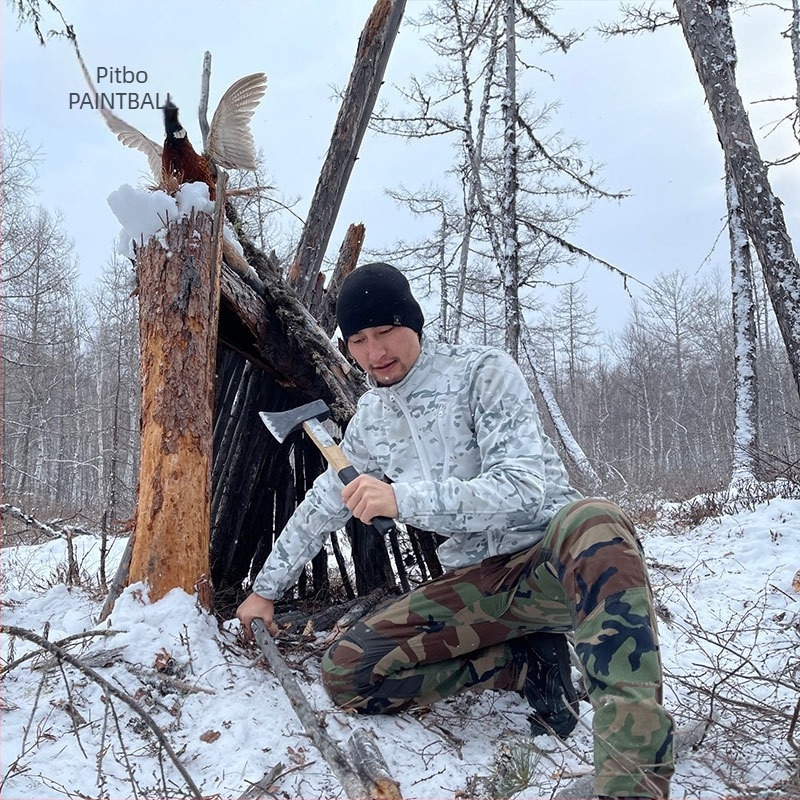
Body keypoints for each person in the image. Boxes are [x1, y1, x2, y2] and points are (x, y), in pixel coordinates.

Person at [237, 262, 674, 799]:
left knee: (596, 521)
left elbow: (520, 488)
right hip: (479, 583)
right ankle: (523, 663)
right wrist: (264, 591)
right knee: (347, 675)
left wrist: (402, 498)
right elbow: (322, 505)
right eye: (359, 339)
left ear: (413, 322)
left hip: (551, 565)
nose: (376, 352)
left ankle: (631, 778)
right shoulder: (372, 420)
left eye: (387, 331)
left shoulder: (482, 371)